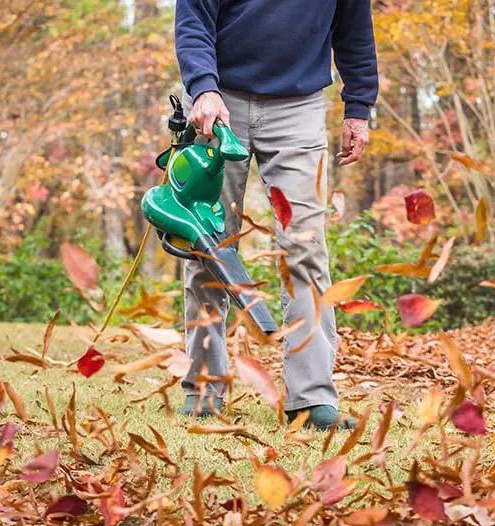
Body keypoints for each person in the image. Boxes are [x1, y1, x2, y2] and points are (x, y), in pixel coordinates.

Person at [174, 0, 378, 430]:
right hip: (219, 103)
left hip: (299, 107)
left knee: (305, 248)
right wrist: (203, 87)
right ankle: (205, 388)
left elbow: (354, 31)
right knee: (208, 244)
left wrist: (359, 106)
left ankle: (311, 398)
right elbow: (193, 20)